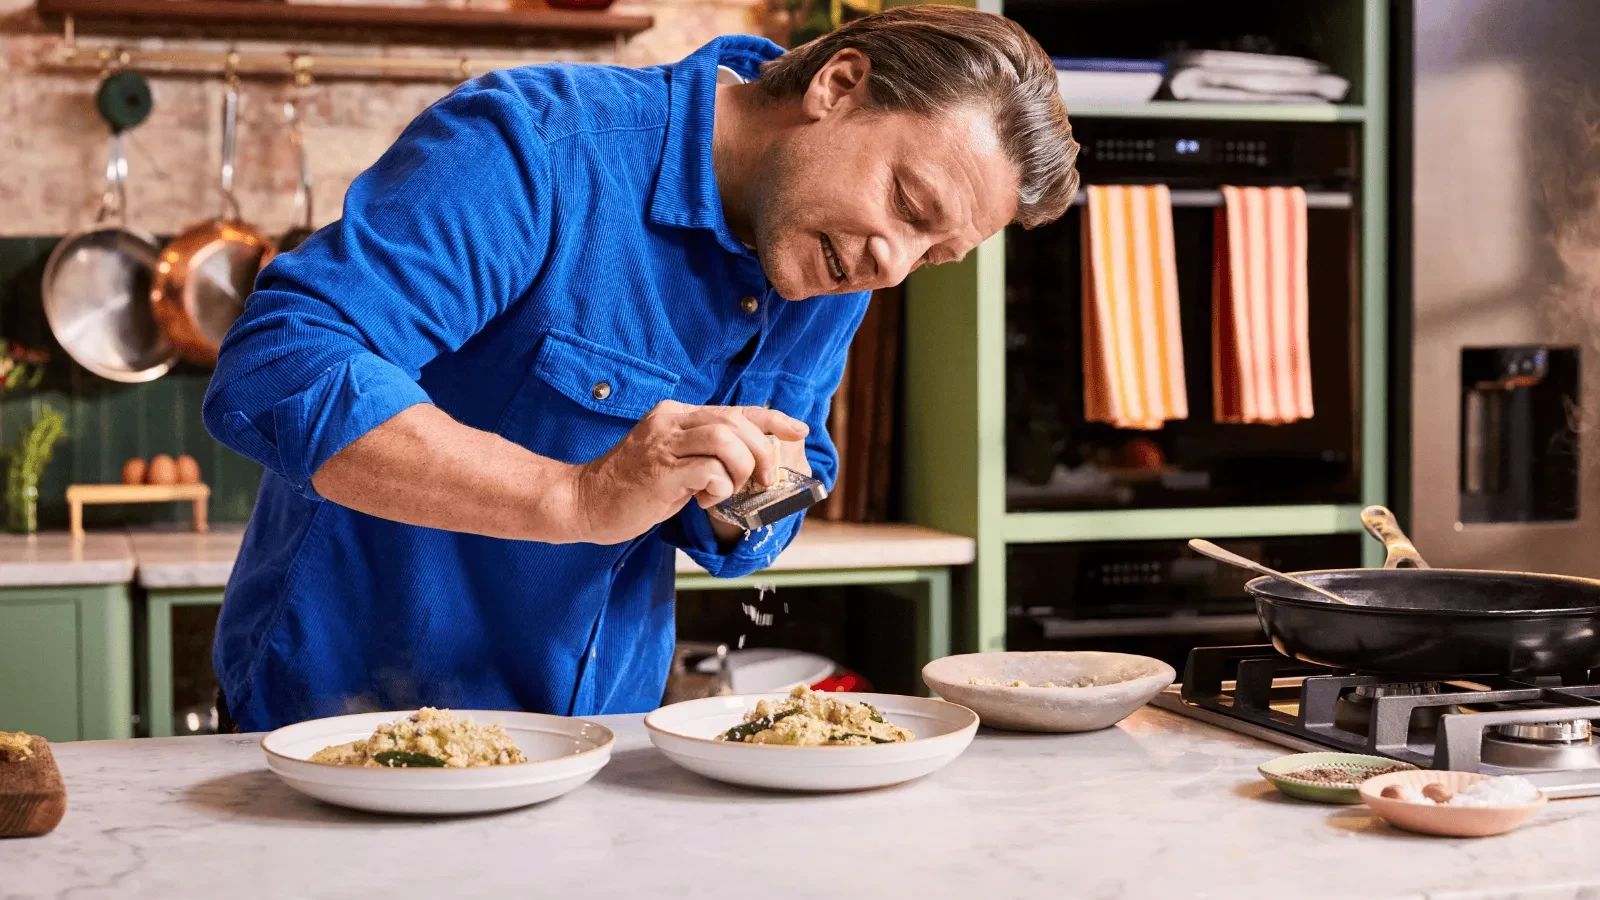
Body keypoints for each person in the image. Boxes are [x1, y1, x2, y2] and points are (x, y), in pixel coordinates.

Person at [202, 5, 1080, 732]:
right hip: (347, 726)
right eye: (909, 204)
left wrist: (748, 500)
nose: (894, 265)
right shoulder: (539, 145)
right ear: (837, 85)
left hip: (602, 743)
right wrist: (577, 498)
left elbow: (781, 476)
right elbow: (285, 360)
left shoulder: (838, 254)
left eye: (934, 255)